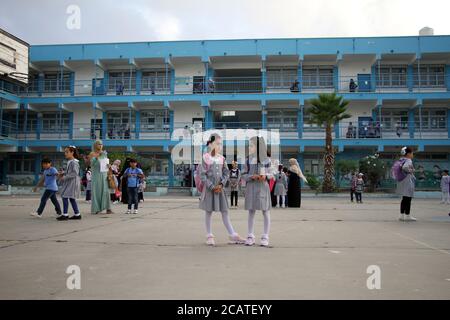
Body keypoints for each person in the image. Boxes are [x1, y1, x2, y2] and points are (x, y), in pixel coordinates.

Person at [199, 134, 244, 246]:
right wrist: (211, 186)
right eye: (217, 143)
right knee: (208, 212)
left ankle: (232, 234)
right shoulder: (205, 158)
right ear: (210, 144)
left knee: (225, 211)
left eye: (221, 144)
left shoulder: (222, 158)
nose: (219, 146)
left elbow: (226, 172)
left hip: (220, 189)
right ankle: (209, 235)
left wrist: (221, 184)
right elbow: (202, 175)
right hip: (210, 190)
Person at [242, 136, 273, 247]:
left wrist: (265, 176)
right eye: (249, 145)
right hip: (251, 187)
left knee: (265, 211)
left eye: (251, 145)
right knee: (251, 211)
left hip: (263, 188)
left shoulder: (267, 160)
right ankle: (250, 236)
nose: (249, 147)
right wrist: (251, 176)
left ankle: (265, 237)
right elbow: (243, 175)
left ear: (258, 147)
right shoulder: (247, 160)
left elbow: (271, 174)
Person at [87, 140, 113, 214]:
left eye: (101, 144)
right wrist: (97, 156)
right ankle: (96, 209)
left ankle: (108, 208)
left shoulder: (104, 154)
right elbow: (91, 164)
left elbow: (106, 163)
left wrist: (109, 166)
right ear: (95, 145)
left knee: (106, 192)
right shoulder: (92, 153)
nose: (100, 146)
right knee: (96, 192)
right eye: (99, 144)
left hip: (104, 174)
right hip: (96, 175)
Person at [57, 146, 81, 221]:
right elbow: (71, 172)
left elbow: (75, 173)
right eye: (65, 152)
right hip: (70, 182)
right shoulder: (70, 161)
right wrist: (64, 173)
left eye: (67, 152)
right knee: (71, 198)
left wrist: (64, 177)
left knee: (65, 196)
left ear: (72, 152)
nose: (65, 153)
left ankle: (65, 214)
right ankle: (77, 214)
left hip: (72, 182)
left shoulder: (74, 162)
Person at [397, 147, 417, 221]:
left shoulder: (402, 159)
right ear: (408, 154)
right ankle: (407, 215)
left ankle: (401, 215)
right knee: (408, 198)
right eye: (412, 153)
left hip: (403, 181)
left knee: (404, 199)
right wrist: (411, 170)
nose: (412, 154)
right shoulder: (408, 160)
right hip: (408, 181)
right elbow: (405, 168)